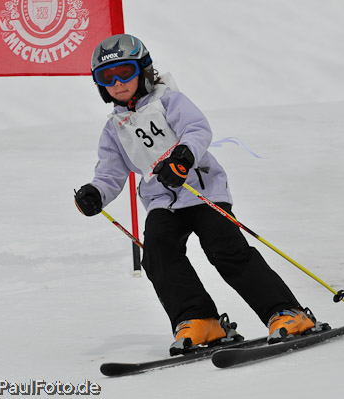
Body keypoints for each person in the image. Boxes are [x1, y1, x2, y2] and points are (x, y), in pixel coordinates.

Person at [74, 34, 317, 355]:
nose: (117, 83)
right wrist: (96, 194)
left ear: (143, 71)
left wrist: (183, 157)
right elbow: (110, 174)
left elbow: (197, 129)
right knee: (157, 255)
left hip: (202, 190)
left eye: (125, 73)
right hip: (162, 200)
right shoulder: (114, 128)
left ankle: (287, 313)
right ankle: (200, 319)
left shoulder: (168, 101)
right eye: (107, 77)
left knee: (225, 251)